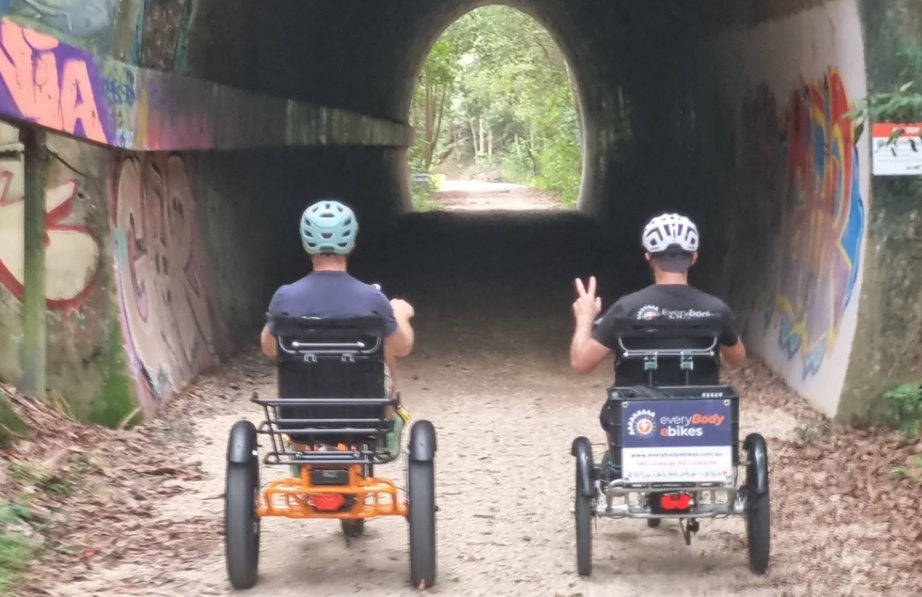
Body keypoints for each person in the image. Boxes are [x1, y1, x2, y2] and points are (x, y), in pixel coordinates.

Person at [260, 199, 416, 458]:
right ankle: (389, 423)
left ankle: (301, 458)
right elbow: (403, 347)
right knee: (384, 346)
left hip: (302, 414)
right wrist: (399, 313)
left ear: (306, 244)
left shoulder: (285, 297)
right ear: (352, 243)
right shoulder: (372, 299)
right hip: (364, 413)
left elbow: (269, 348)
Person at [568, 213, 746, 439]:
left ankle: (619, 469)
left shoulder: (626, 309)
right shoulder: (716, 310)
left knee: (615, 412)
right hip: (700, 420)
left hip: (638, 418)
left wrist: (585, 318)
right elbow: (736, 360)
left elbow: (580, 363)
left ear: (649, 257)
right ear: (693, 257)